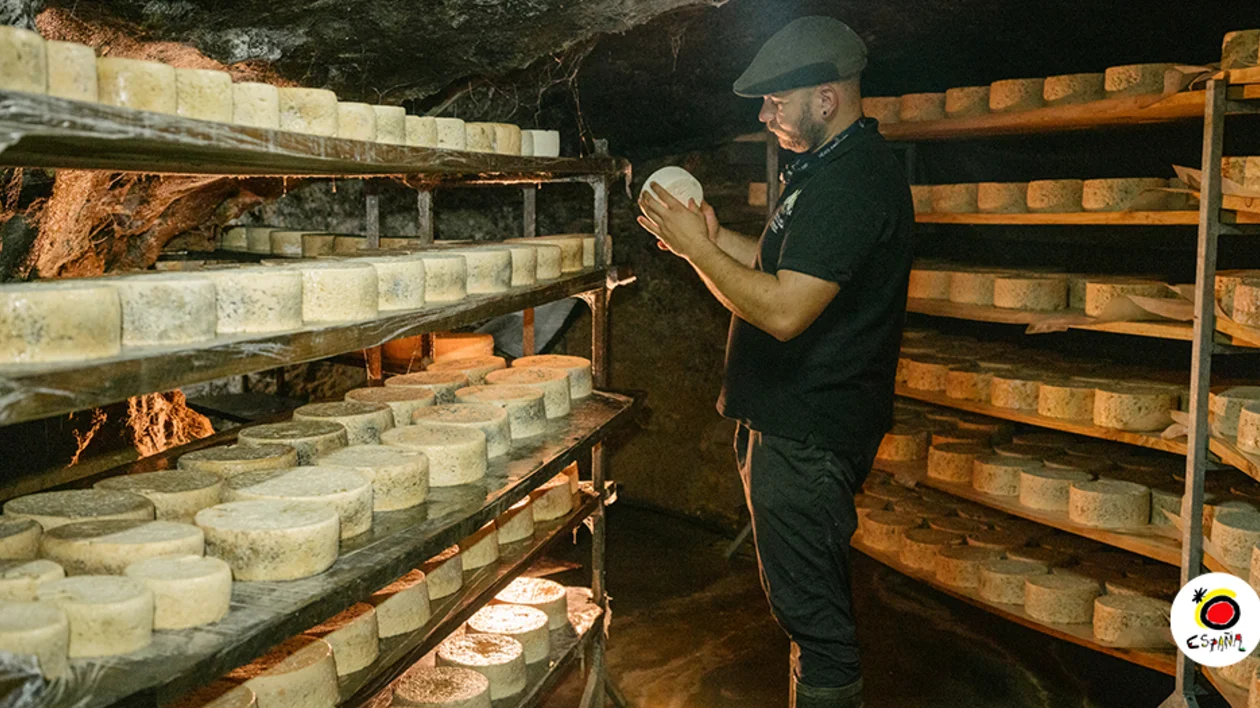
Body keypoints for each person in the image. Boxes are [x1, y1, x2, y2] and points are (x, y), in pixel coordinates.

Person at [637, 15, 913, 708]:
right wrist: (706, 239)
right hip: (789, 427)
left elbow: (786, 311)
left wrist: (699, 253)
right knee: (801, 608)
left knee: (815, 625)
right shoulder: (822, 169)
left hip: (810, 435)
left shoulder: (854, 183)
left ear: (826, 98)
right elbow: (771, 268)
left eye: (775, 103)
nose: (765, 117)